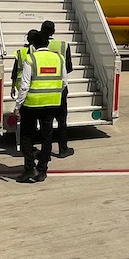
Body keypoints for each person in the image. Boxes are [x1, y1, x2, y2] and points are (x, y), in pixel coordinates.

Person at [12, 29, 65, 183]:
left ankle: (29, 169)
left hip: (32, 104)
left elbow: (24, 86)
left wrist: (17, 106)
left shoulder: (31, 59)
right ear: (48, 43)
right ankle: (42, 170)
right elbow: (64, 82)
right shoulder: (59, 58)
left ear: (33, 44)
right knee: (47, 136)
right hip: (52, 104)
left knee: (27, 136)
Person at [39, 20, 75, 158]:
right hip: (59, 88)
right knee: (61, 120)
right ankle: (62, 148)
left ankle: (45, 151)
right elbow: (69, 67)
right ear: (53, 31)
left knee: (45, 122)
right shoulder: (63, 45)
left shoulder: (34, 46)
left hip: (41, 88)